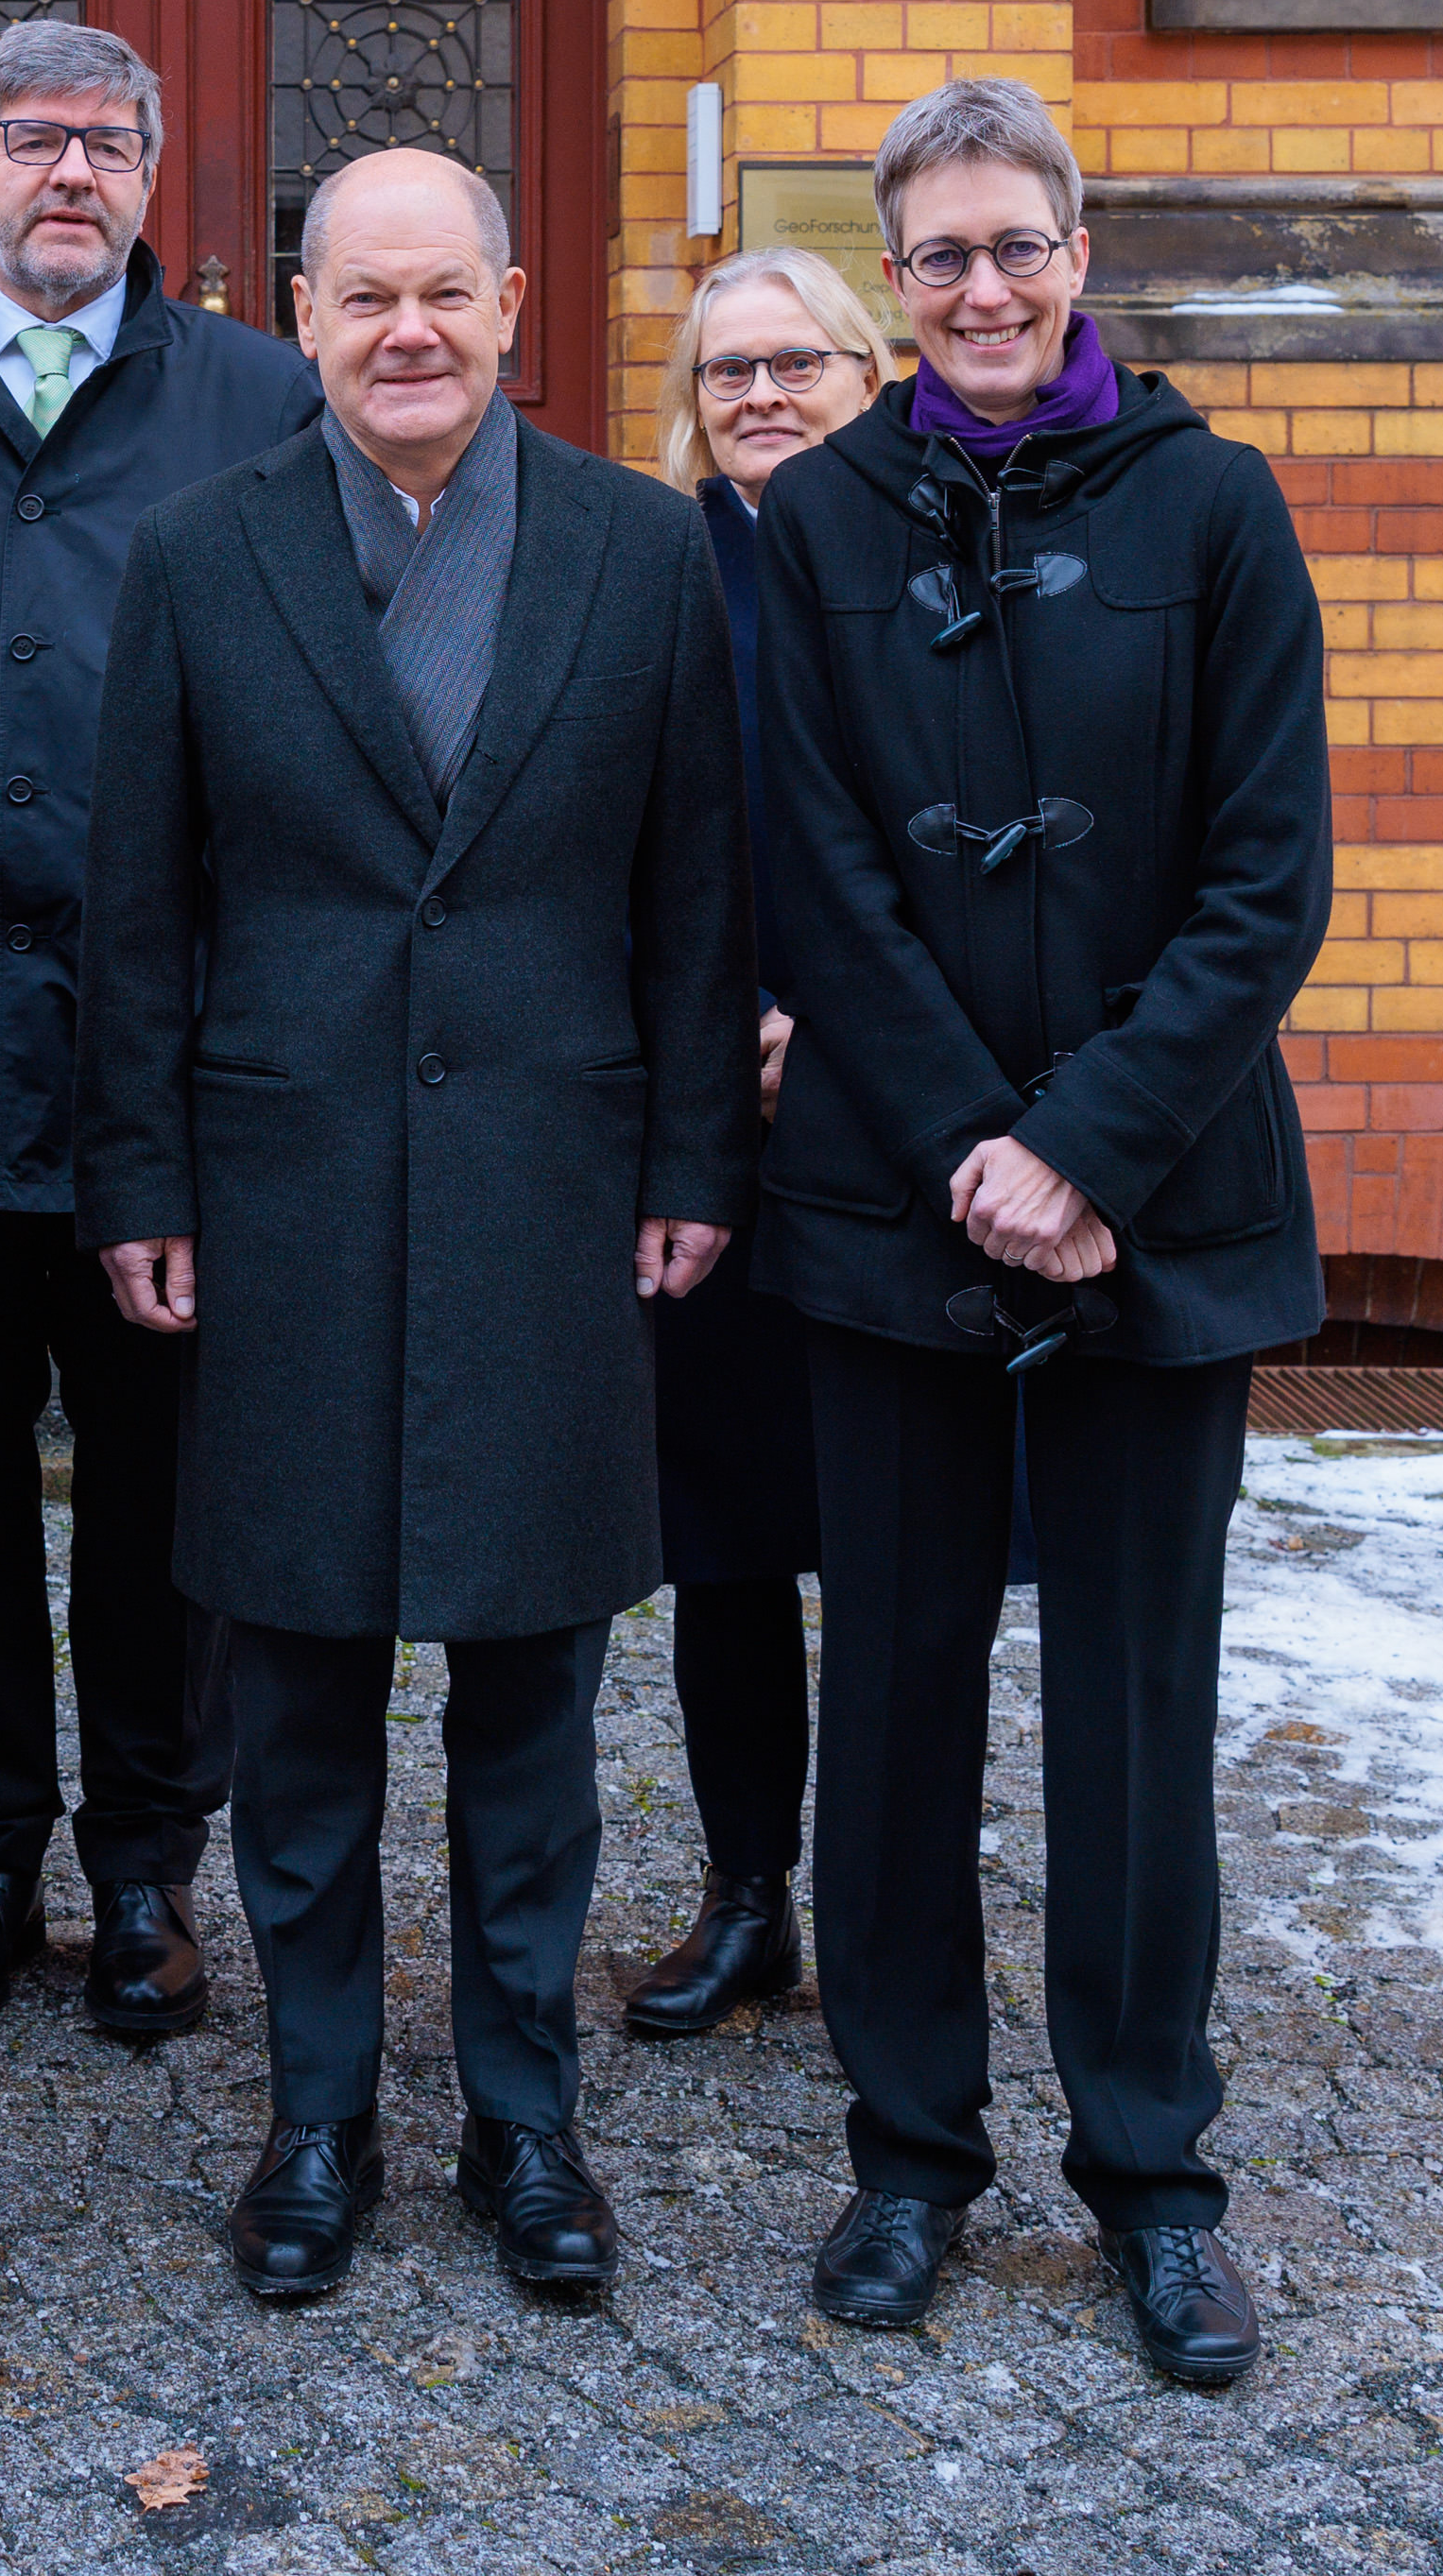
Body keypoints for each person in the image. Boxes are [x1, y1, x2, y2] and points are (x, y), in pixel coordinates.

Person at [74, 147, 759, 2310]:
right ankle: (317, 2118)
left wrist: (687, 1167)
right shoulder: (202, 558)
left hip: (552, 1189)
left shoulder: (642, 558)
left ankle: (522, 2120)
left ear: (511, 300)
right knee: (289, 1692)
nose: (406, 334)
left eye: (444, 294)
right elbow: (138, 910)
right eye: (364, 298)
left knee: (531, 1697)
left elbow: (693, 897)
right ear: (299, 315)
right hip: (279, 1189)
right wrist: (139, 1177)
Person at [752, 75, 1330, 2391]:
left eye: (1018, 245)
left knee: (1130, 1714)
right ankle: (906, 2155)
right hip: (895, 1211)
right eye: (937, 257)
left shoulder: (1212, 509)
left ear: (1078, 251)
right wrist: (972, 1147)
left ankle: (1151, 2174)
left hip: (1159, 1211)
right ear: (893, 283)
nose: (981, 291)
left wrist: (1081, 1149)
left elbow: (1261, 873)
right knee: (884, 1706)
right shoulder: (814, 521)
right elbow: (817, 867)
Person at [0, 17, 318, 2046]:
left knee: (160, 1485)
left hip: (155, 1057)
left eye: (107, 143)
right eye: (30, 142)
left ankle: (143, 1872)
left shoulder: (258, 401)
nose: (68, 176)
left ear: (149, 174)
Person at [613, 244, 886, 2046]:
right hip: (711, 1126)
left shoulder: (927, 556)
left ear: (871, 375)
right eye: (729, 374)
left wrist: (842, 1024)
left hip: (896, 1128)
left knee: (892, 1544)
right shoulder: (649, 577)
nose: (764, 395)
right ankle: (749, 1896)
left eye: (799, 364)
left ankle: (884, 1905)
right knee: (726, 1544)